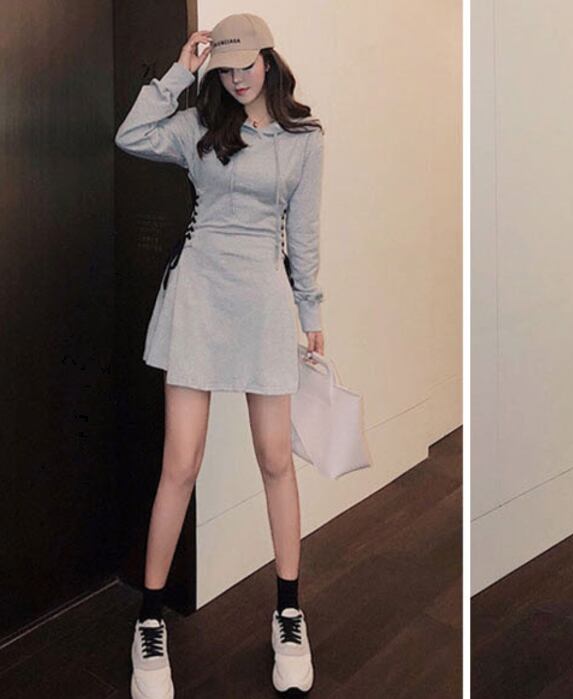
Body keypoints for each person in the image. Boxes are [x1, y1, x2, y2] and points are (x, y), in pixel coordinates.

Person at [114, 13, 324, 698]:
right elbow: (130, 134)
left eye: (246, 64)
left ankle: (288, 611)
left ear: (270, 59)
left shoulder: (304, 140)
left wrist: (311, 313)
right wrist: (180, 71)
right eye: (224, 67)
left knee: (275, 458)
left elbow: (304, 234)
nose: (236, 78)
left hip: (262, 300)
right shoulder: (197, 126)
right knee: (181, 462)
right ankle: (150, 621)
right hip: (200, 296)